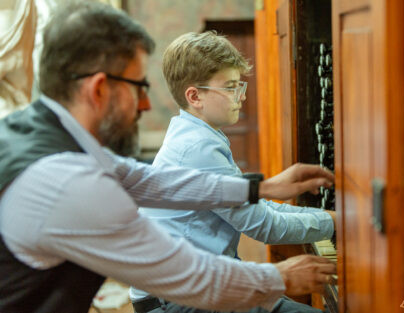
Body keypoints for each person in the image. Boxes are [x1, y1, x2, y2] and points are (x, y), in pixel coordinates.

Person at [0, 2, 337, 313]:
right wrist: (277, 278)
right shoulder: (69, 183)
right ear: (99, 89)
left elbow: (151, 181)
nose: (146, 105)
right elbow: (182, 271)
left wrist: (258, 189)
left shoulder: (41, 131)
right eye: (138, 87)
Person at [129, 32, 337, 313]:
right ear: (195, 96)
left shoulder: (197, 134)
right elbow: (265, 226)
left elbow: (256, 206)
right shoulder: (197, 147)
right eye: (230, 87)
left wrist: (331, 218)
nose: (241, 96)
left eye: (239, 85)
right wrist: (341, 222)